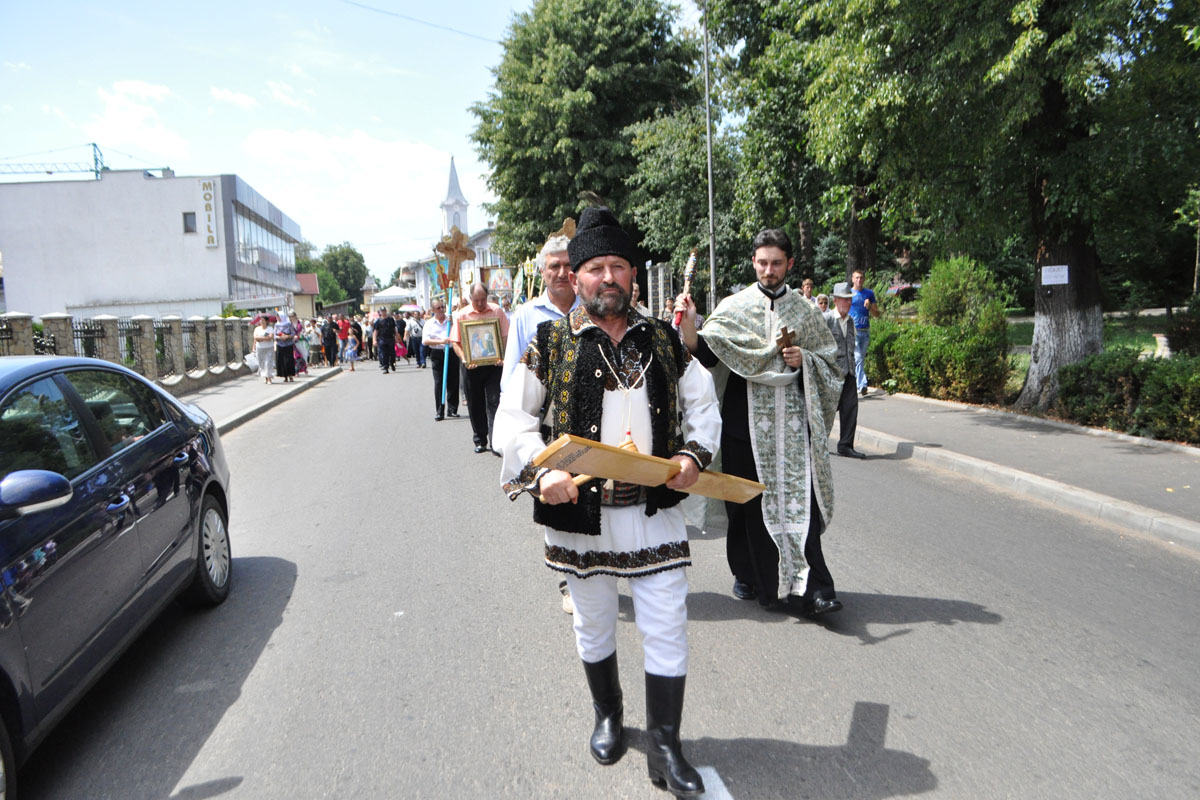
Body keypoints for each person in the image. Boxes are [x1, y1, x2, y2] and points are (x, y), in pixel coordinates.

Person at [494, 207, 721, 797]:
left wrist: (694, 457)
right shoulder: (549, 344)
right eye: (595, 268)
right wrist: (541, 473)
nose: (607, 278)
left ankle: (667, 745)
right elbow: (512, 422)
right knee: (595, 626)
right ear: (577, 276)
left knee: (667, 626)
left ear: (633, 276)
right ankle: (609, 715)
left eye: (618, 266)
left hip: (654, 516)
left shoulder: (666, 341)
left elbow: (704, 407)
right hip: (577, 518)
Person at [675, 228, 844, 617]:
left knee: (802, 504)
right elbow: (706, 354)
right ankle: (749, 573)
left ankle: (815, 587)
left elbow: (831, 366)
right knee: (746, 503)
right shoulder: (734, 307)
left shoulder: (805, 311)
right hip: (742, 423)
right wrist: (690, 325)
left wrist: (808, 361)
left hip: (792, 426)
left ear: (790, 264)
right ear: (754, 262)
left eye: (777, 263)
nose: (769, 270)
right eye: (763, 263)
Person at [500, 228, 581, 615]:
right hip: (546, 425)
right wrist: (512, 434)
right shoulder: (526, 315)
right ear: (543, 271)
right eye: (555, 266)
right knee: (556, 496)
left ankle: (595, 570)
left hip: (589, 421)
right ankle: (568, 579)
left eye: (568, 265)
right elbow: (512, 375)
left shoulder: (591, 307)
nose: (562, 272)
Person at [451, 282, 509, 454]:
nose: (481, 304)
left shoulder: (497, 311)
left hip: (494, 365)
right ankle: (480, 439)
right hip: (472, 367)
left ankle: (495, 441)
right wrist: (465, 359)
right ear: (471, 299)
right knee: (475, 403)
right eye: (477, 300)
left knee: (494, 402)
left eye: (483, 299)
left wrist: (503, 356)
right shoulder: (463, 315)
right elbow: (455, 342)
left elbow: (505, 336)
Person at [825, 283, 865, 458]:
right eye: (844, 300)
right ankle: (815, 444)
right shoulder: (826, 319)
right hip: (831, 374)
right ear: (835, 300)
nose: (848, 303)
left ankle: (846, 445)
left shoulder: (850, 321)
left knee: (850, 409)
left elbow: (852, 346)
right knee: (826, 411)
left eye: (849, 300)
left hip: (849, 373)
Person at [422, 300, 460, 421]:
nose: (441, 310)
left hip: (451, 352)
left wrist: (452, 323)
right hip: (438, 353)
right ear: (433, 310)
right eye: (438, 308)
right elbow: (426, 341)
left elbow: (459, 333)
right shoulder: (429, 323)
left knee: (453, 381)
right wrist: (441, 341)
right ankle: (440, 410)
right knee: (439, 382)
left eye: (443, 307)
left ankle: (452, 409)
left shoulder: (450, 320)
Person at [849, 268, 881, 396]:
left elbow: (876, 313)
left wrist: (869, 307)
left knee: (860, 358)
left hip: (865, 329)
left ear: (864, 280)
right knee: (858, 357)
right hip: (853, 330)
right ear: (852, 279)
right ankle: (862, 384)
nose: (859, 280)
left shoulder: (869, 293)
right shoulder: (849, 293)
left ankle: (856, 381)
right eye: (857, 278)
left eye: (861, 278)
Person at [274, 313, 298, 383]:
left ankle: (290, 375)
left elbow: (293, 333)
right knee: (281, 361)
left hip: (288, 345)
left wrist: (287, 336)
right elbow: (274, 335)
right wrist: (280, 337)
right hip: (280, 345)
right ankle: (285, 376)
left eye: (278, 316)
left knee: (288, 361)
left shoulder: (288, 324)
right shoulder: (276, 325)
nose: (278, 318)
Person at [373, 306, 399, 373]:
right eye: (382, 311)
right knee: (384, 354)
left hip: (390, 338)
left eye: (384, 311)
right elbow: (376, 331)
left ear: (386, 311)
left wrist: (396, 337)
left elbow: (394, 329)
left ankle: (392, 363)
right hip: (382, 339)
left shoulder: (391, 319)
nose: (383, 312)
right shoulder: (378, 321)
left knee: (392, 353)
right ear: (380, 312)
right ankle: (386, 367)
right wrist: (374, 340)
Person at [252, 315, 276, 384]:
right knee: (262, 364)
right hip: (260, 349)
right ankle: (265, 377)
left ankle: (269, 379)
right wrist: (264, 338)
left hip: (269, 348)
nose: (261, 322)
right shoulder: (257, 329)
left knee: (268, 363)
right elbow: (255, 338)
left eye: (263, 320)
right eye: (260, 320)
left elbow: (270, 337)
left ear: (267, 321)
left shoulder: (270, 329)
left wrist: (261, 338)